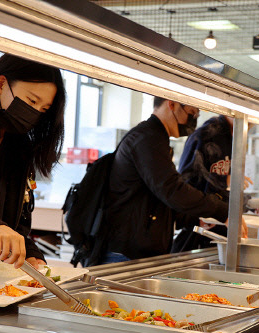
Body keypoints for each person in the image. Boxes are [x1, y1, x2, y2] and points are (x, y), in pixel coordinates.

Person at [103, 98, 247, 263]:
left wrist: (194, 219)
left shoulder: (156, 138)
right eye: (191, 113)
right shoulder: (147, 139)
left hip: (136, 251)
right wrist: (222, 211)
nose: (193, 121)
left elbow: (159, 197)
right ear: (171, 104)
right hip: (124, 254)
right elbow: (172, 190)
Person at [0, 53, 66, 270]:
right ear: (1, 84)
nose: (34, 114)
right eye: (31, 101)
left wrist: (30, 253)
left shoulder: (18, 151)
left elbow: (14, 226)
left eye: (43, 110)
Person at [171, 115, 252, 253]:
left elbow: (221, 192)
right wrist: (224, 179)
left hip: (217, 233)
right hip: (196, 233)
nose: (252, 121)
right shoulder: (205, 135)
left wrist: (248, 204)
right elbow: (186, 181)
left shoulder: (234, 138)